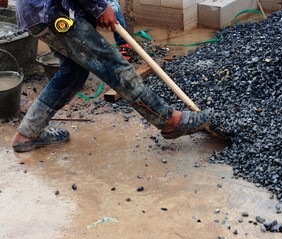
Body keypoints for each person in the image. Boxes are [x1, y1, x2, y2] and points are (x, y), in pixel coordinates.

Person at [11, 0, 213, 153]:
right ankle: (169, 121)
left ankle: (27, 134)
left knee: (72, 74)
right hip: (56, 11)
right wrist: (98, 6)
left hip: (36, 12)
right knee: (115, 67)